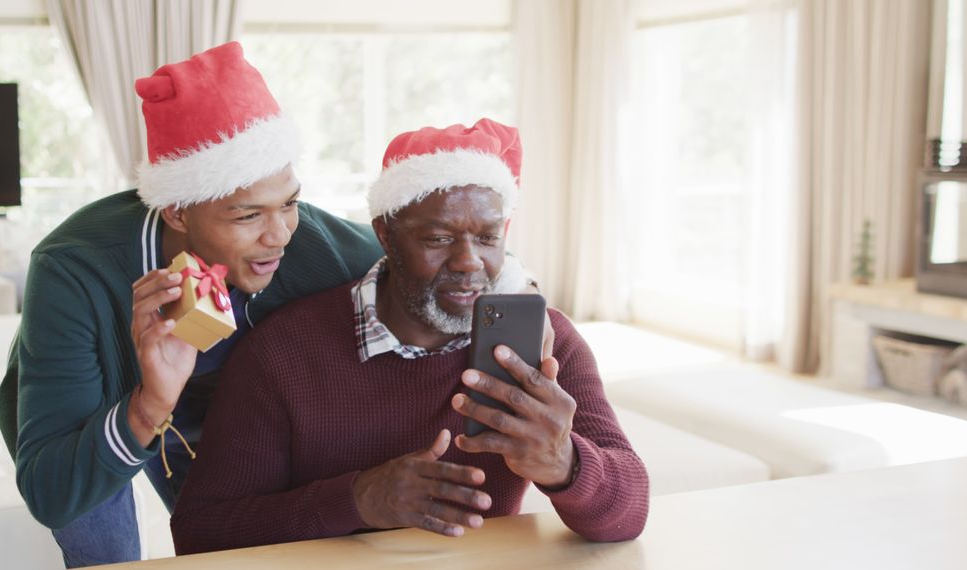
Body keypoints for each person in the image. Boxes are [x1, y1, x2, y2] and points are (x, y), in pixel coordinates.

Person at [170, 118, 650, 554]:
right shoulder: (282, 354)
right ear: (385, 234)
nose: (469, 262)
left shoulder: (547, 344)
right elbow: (201, 531)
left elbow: (630, 512)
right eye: (439, 239)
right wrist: (358, 500)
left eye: (487, 238)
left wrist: (565, 463)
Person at [0, 42, 384, 567]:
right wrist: (147, 406)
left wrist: (511, 290)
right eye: (247, 216)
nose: (279, 236)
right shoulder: (71, 270)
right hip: (89, 411)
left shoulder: (312, 242)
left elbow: (432, 256)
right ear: (178, 213)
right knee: (107, 553)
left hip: (216, 400)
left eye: (289, 202)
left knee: (222, 543)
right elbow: (51, 491)